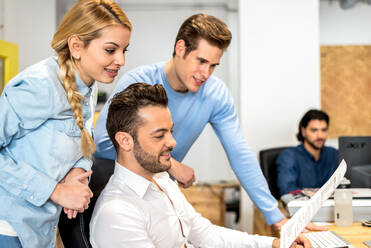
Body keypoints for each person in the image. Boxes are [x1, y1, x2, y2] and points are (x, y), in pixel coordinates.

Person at [94, 13, 289, 229]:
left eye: (213, 65)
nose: (205, 73)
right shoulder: (138, 81)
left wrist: (276, 217)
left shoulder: (216, 94)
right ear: (180, 48)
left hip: (160, 191)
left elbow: (240, 154)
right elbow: (103, 143)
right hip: (119, 192)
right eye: (201, 61)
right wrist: (171, 165)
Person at [89, 83, 310, 248]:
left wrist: (274, 244)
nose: (173, 143)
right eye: (159, 136)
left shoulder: (162, 180)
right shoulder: (117, 213)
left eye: (171, 131)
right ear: (125, 141)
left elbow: (205, 234)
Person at [0, 0, 132, 247]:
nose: (121, 61)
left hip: (40, 230)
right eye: (111, 50)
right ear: (76, 46)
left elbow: (82, 138)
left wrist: (77, 172)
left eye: (125, 50)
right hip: (8, 227)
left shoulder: (89, 88)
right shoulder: (38, 85)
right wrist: (56, 191)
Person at [276, 109, 338, 199]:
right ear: (303, 131)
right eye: (314, 130)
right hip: (303, 209)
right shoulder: (289, 156)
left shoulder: (333, 154)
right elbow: (287, 190)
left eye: (323, 130)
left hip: (332, 208)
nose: (320, 136)